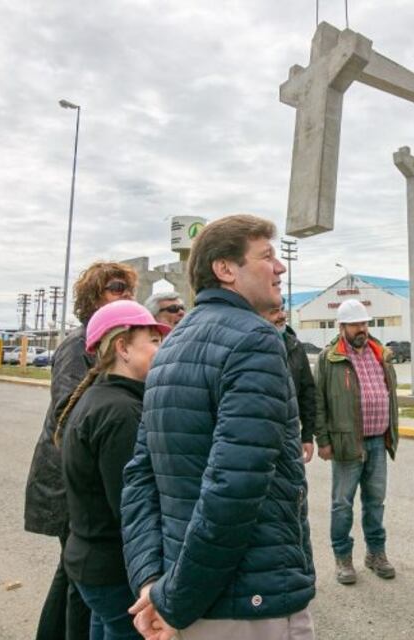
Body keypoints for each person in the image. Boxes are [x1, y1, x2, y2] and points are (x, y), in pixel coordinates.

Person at [120, 214, 315, 639]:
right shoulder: (255, 339)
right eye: (266, 256)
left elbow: (139, 477)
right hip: (247, 603)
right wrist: (174, 601)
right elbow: (234, 488)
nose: (280, 268)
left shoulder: (171, 346)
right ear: (225, 269)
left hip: (188, 589)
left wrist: (152, 581)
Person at [24, 261, 137, 640]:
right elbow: (67, 411)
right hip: (70, 479)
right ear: (93, 295)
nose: (126, 295)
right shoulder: (79, 342)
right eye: (117, 287)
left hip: (83, 477)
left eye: (129, 288)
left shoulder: (111, 338)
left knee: (75, 576)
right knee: (80, 582)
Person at [55, 301, 170, 640]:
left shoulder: (101, 398)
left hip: (93, 564)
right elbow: (130, 506)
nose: (160, 349)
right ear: (122, 348)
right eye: (153, 341)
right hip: (113, 572)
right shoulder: (121, 413)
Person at [314, 298, 399, 585]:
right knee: (342, 504)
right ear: (342, 327)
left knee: (376, 502)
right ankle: (343, 559)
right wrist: (323, 440)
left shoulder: (380, 354)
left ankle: (376, 554)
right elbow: (319, 402)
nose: (362, 328)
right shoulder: (330, 358)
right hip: (347, 444)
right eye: (355, 324)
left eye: (364, 323)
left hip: (378, 442)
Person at [262, 304, 317, 463]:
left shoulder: (295, 346)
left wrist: (307, 436)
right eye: (274, 311)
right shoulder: (252, 345)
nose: (281, 316)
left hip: (290, 436)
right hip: (261, 435)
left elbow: (307, 392)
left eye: (282, 309)